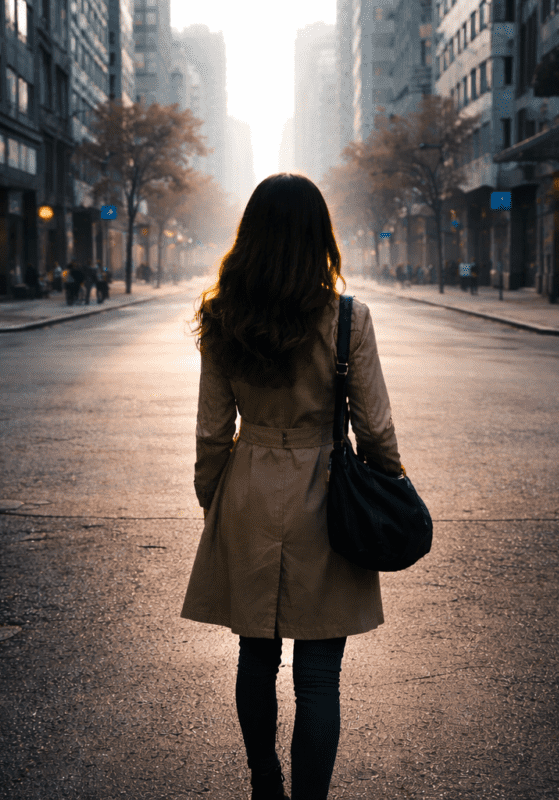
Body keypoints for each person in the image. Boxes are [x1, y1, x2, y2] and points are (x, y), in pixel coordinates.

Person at [183, 173, 404, 800]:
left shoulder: (224, 317)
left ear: (248, 237)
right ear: (320, 237)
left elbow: (209, 431)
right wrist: (391, 492)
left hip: (249, 488)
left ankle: (265, 783)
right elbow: (376, 427)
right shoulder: (347, 319)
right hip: (325, 496)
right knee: (318, 673)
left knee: (255, 656)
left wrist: (216, 503)